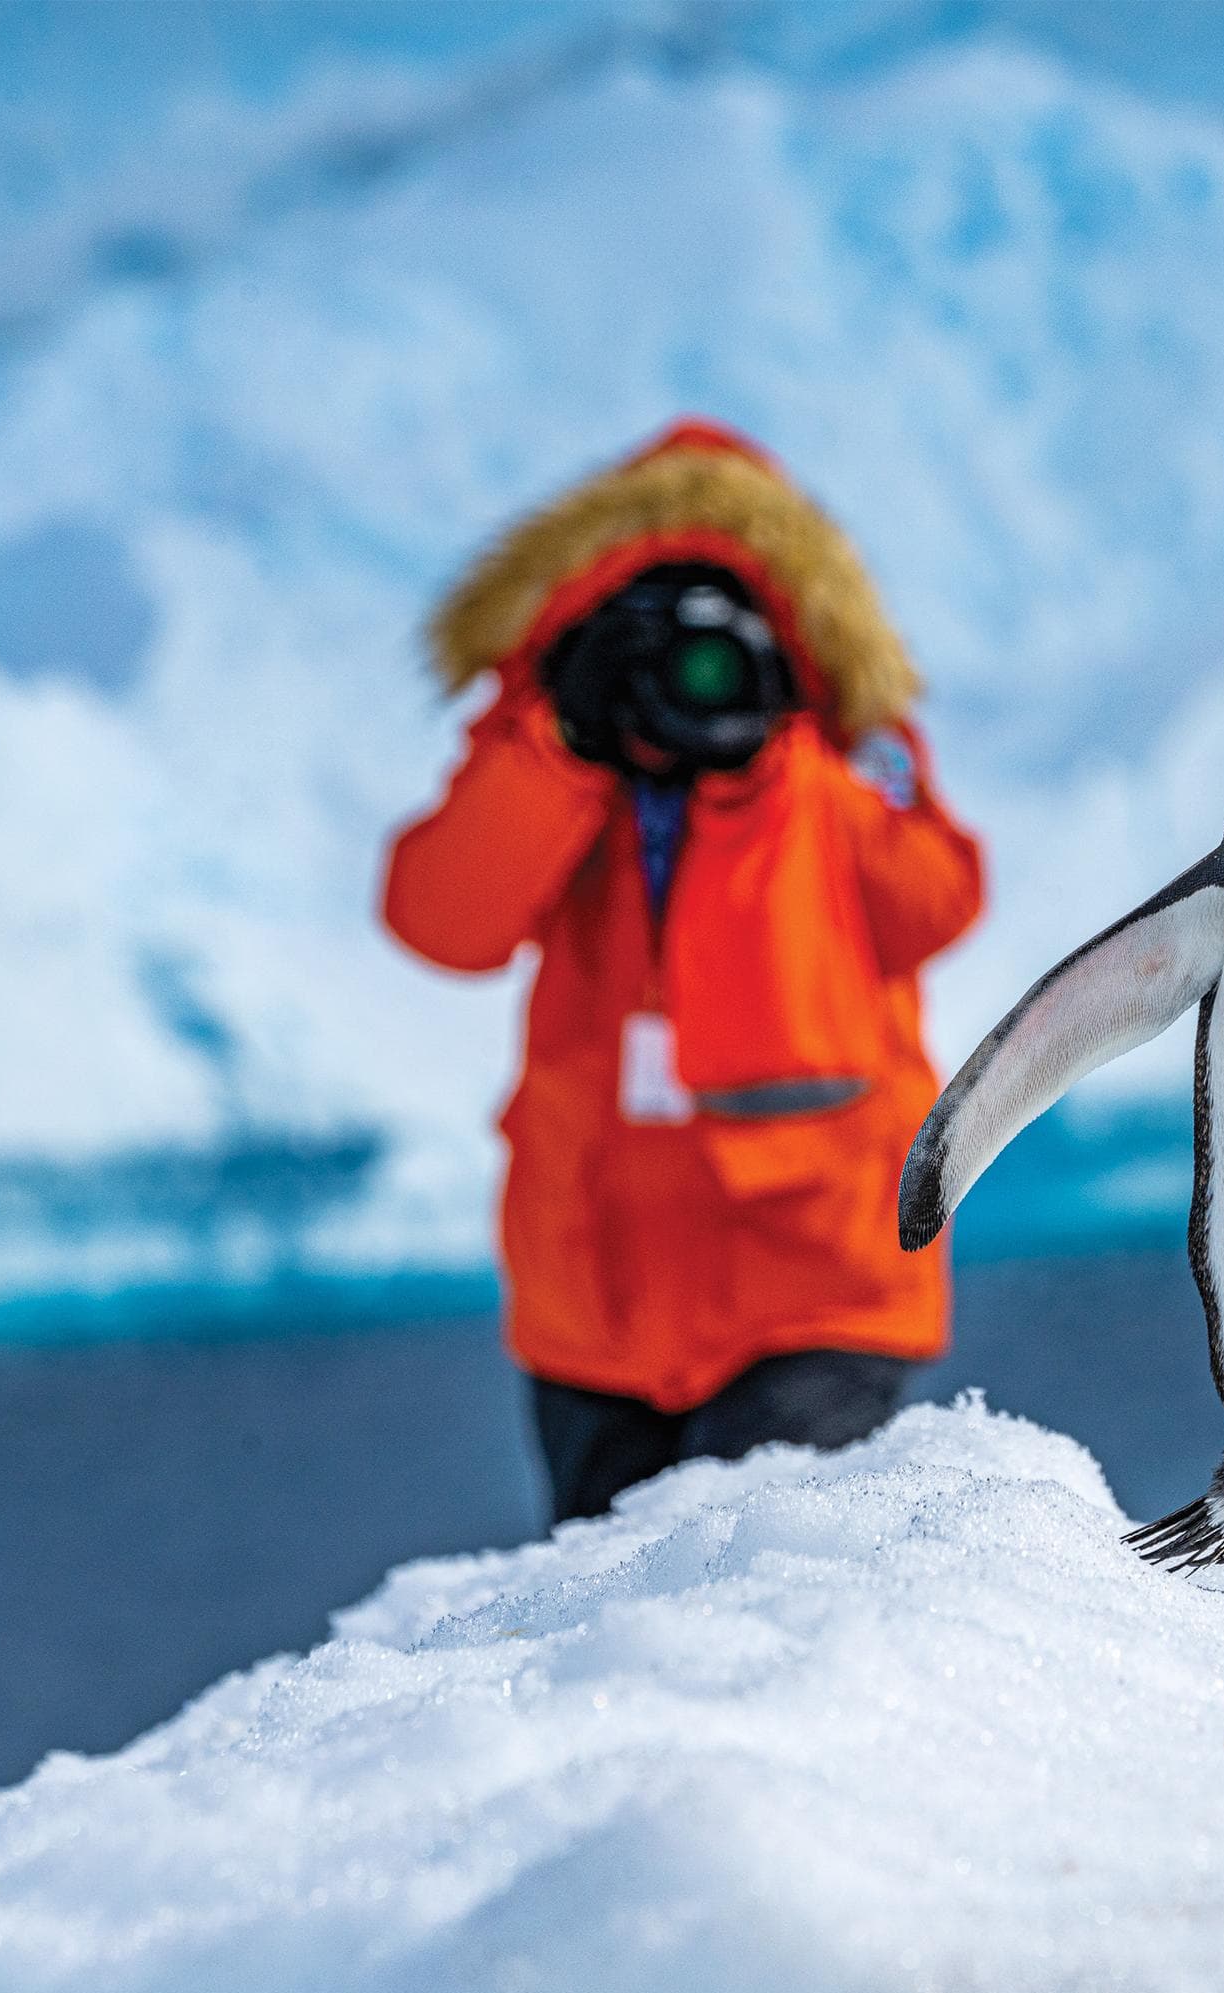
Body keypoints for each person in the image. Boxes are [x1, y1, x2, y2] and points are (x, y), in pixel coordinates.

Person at [382, 420, 985, 1521]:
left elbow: (935, 903)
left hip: (816, 1285)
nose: (691, 677)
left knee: (771, 1588)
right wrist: (560, 737)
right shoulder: (553, 737)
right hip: (595, 1303)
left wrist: (778, 766)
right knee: (612, 1636)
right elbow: (441, 920)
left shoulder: (840, 744)